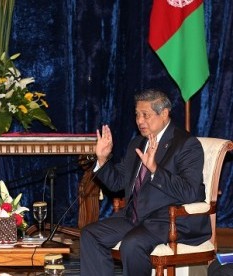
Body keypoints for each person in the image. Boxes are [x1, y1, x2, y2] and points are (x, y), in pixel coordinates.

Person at [80, 89, 211, 276]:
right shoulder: (137, 143)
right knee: (90, 234)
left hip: (169, 220)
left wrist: (155, 170)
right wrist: (102, 159)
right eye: (137, 115)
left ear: (164, 113)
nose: (139, 121)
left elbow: (190, 192)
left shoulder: (186, 144)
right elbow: (117, 183)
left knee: (132, 245)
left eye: (145, 115)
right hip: (135, 217)